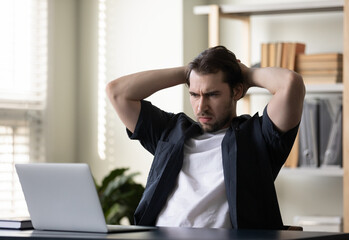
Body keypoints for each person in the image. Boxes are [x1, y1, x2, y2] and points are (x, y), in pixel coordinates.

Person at [106, 46, 305, 230]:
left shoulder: (257, 137)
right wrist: (189, 71)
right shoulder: (171, 132)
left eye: (212, 94)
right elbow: (117, 92)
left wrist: (245, 73)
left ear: (236, 91)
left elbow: (290, 84)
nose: (201, 107)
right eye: (194, 94)